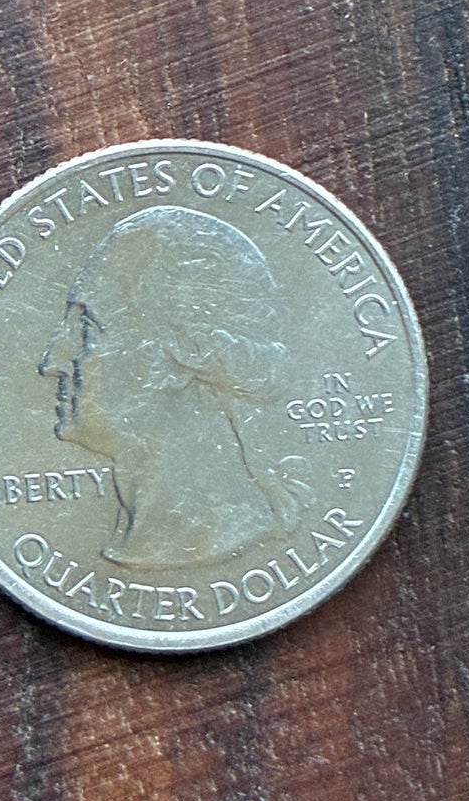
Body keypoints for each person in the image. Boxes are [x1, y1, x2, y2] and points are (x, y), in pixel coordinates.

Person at [38, 205, 310, 567]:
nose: (51, 364)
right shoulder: (148, 536)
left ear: (182, 355)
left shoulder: (215, 533)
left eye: (87, 329)